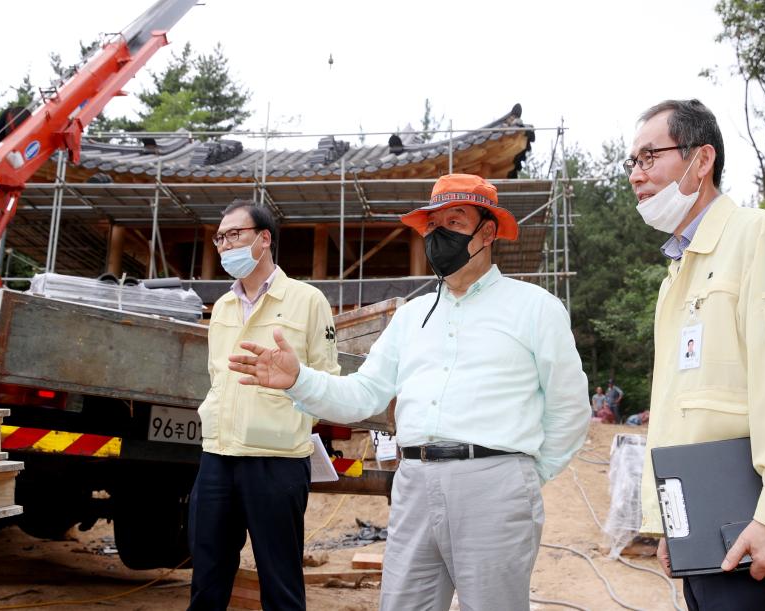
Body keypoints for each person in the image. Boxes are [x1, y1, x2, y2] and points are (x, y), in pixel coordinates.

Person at [227, 173, 591, 611]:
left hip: (495, 484)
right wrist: (299, 379)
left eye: (454, 223)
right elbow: (364, 394)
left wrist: (527, 476)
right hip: (414, 482)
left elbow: (569, 408)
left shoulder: (535, 308)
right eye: (434, 226)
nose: (440, 236)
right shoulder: (411, 316)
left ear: (488, 231)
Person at [627, 99, 765, 610]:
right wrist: (670, 523)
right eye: (632, 162)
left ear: (702, 159)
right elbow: (680, 405)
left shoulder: (763, 237)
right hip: (704, 522)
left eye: (650, 157)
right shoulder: (679, 271)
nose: (636, 175)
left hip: (757, 525)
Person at [187, 200, 340, 611]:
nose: (224, 245)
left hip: (277, 459)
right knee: (207, 576)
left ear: (264, 238)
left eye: (234, 234)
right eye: (220, 238)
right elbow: (218, 376)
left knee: (280, 581)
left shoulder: (308, 301)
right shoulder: (221, 308)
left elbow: (327, 378)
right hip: (218, 455)